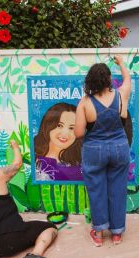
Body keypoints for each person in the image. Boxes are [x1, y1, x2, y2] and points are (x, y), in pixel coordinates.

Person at [74, 55, 131, 246]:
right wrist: (121, 63)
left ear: (90, 81)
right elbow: (127, 80)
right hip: (119, 148)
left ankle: (98, 234)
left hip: (94, 150)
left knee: (96, 189)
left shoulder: (84, 103)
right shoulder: (122, 95)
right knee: (117, 190)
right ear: (108, 79)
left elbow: (79, 133)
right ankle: (116, 234)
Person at [34, 102, 83, 181]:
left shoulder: (80, 162)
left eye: (71, 128)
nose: (65, 133)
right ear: (47, 125)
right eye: (59, 125)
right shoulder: (34, 158)